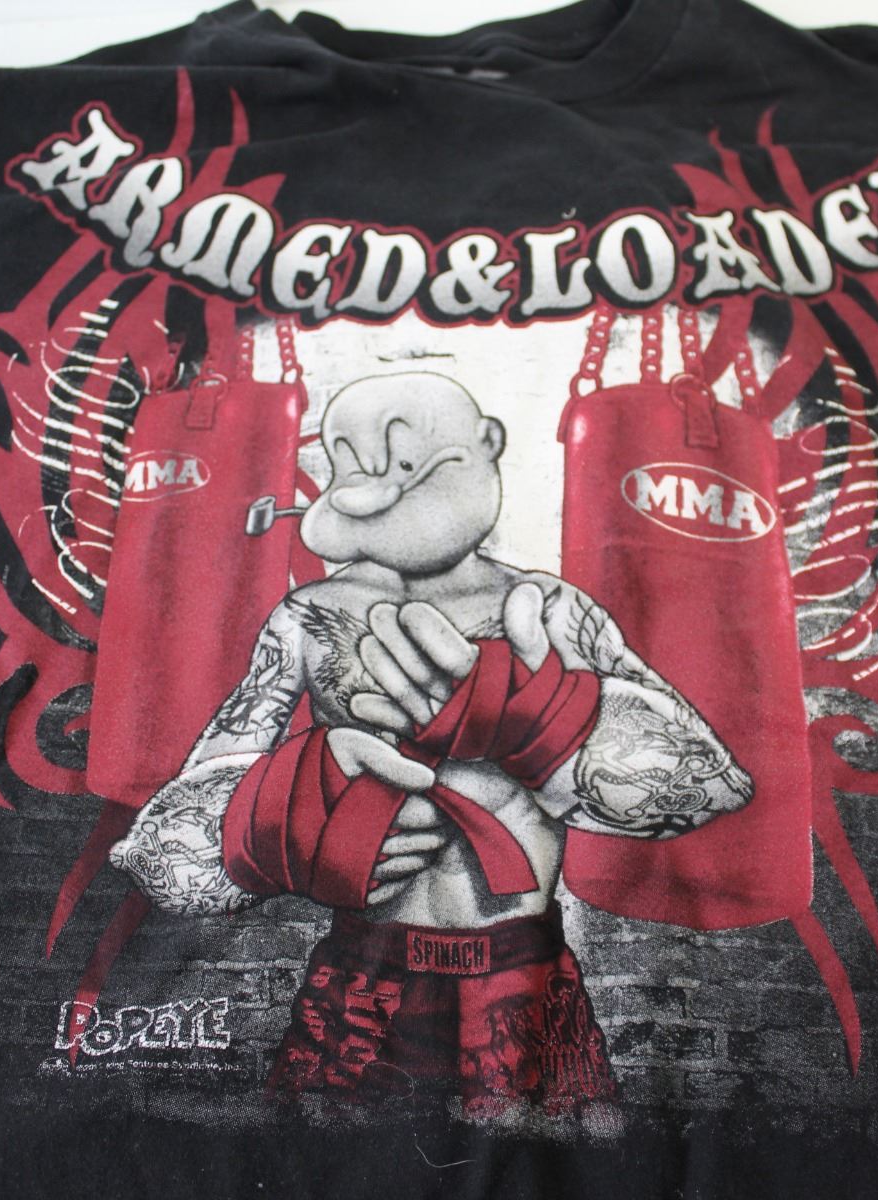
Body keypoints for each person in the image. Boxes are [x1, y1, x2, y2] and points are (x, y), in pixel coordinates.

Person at [109, 370, 751, 1113]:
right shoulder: (308, 618)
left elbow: (714, 788)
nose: (387, 477)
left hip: (522, 971)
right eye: (358, 457)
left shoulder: (551, 610)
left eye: (408, 454)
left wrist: (544, 723)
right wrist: (285, 811)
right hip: (360, 973)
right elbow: (164, 858)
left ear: (489, 443)